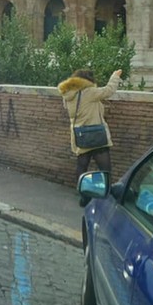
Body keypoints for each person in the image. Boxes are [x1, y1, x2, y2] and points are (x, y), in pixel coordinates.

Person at [58, 68, 123, 205]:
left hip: (80, 136)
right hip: (96, 135)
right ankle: (104, 193)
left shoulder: (68, 94)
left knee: (82, 166)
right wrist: (115, 76)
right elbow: (108, 91)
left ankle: (84, 196)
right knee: (105, 168)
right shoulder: (89, 92)